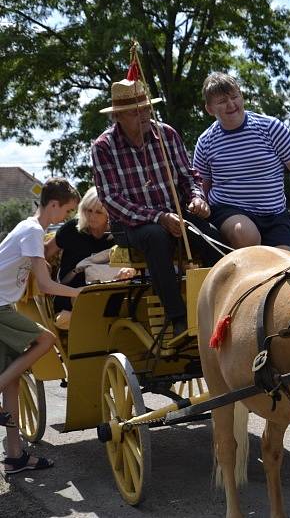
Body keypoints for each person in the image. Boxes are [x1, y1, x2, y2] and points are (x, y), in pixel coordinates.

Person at [92, 78, 221, 337]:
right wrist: (158, 217)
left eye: (146, 109)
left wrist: (197, 198)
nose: (143, 115)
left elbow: (188, 177)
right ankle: (178, 318)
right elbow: (112, 200)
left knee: (211, 236)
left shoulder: (167, 134)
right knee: (156, 236)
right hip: (131, 224)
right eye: (134, 111)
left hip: (175, 212)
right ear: (118, 116)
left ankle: (223, 304)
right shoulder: (103, 147)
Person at [0, 178, 82, 475]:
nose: (67, 218)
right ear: (53, 205)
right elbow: (47, 286)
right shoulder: (34, 230)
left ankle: (14, 456)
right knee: (46, 340)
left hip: (3, 305)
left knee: (13, 380)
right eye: (68, 211)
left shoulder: (28, 228)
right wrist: (79, 293)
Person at [193, 72, 290, 251]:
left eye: (235, 97)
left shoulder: (271, 128)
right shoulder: (206, 141)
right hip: (229, 211)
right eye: (222, 101)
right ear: (210, 109)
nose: (231, 104)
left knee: (287, 265)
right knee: (244, 233)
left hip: (274, 215)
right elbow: (202, 185)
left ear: (242, 97)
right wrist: (199, 206)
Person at [45, 187, 134, 320]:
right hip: (70, 295)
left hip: (110, 295)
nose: (92, 217)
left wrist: (129, 270)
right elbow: (45, 252)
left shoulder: (120, 235)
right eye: (88, 210)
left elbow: (135, 262)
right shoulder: (71, 229)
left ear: (109, 214)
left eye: (98, 212)